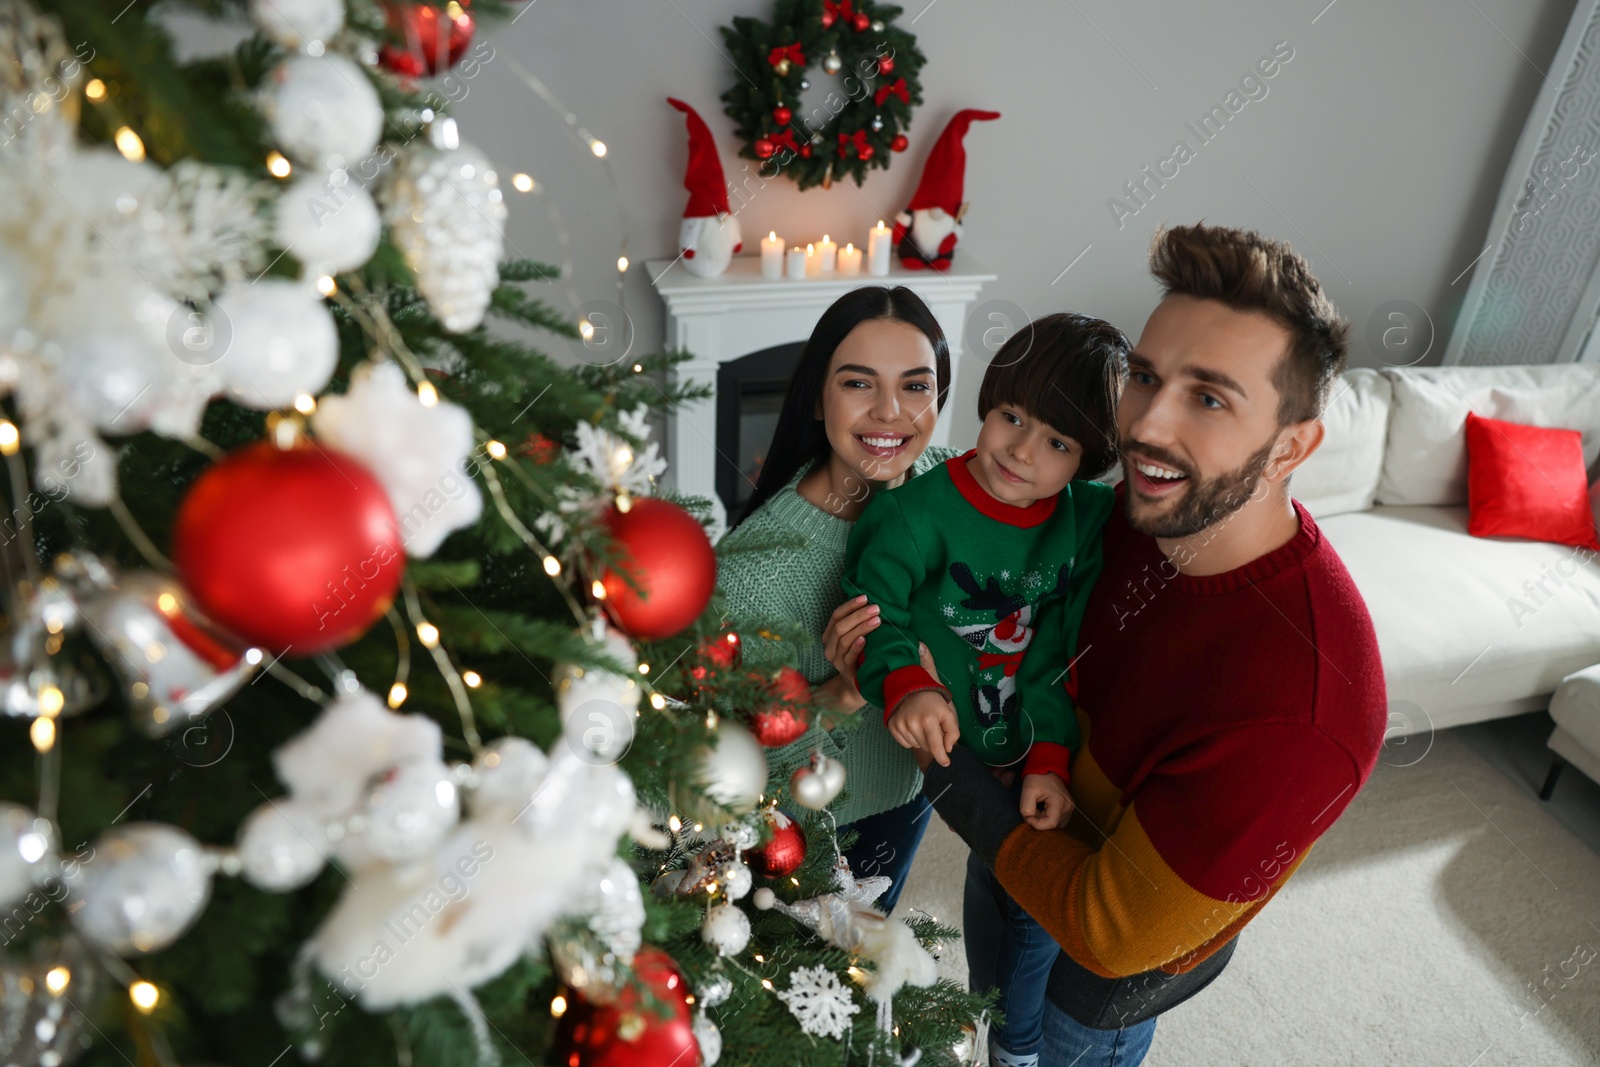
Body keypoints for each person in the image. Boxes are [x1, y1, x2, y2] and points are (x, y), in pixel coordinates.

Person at [905, 223, 1388, 1066]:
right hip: (1026, 815)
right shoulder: (1135, 515)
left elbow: (1107, 933)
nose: (1145, 427)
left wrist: (924, 742)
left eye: (1209, 397)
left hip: (1105, 972)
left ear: (1292, 447)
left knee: (1052, 1040)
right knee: (998, 1020)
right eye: (1147, 377)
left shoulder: (1304, 708)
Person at [841, 314, 1126, 1067]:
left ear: (1088, 461)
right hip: (944, 751)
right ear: (988, 403)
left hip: (1029, 745)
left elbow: (1063, 649)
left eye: (1059, 443)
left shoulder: (1084, 520)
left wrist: (1050, 751)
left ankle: (1015, 1040)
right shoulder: (913, 513)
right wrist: (904, 683)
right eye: (1012, 417)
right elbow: (874, 611)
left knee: (1029, 893)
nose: (1022, 451)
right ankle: (1009, 1032)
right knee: (992, 881)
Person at [715, 285, 961, 914]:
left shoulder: (954, 489)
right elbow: (722, 766)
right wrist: (841, 693)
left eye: (915, 386)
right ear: (818, 401)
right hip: (812, 831)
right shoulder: (751, 571)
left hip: (917, 792)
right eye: (858, 384)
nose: (890, 413)